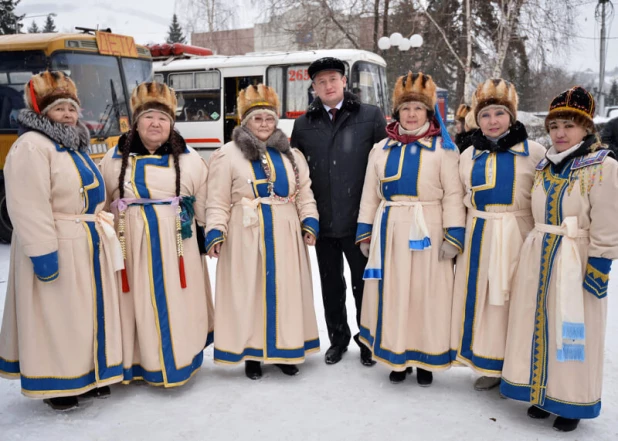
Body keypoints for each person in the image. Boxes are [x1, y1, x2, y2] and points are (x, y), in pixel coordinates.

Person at [0, 71, 124, 410]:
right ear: (42, 113)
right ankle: (58, 383)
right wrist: (44, 254)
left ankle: (88, 374)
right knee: (57, 317)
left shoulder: (74, 144)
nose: (68, 114)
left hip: (85, 241)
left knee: (85, 315)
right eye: (59, 109)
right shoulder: (31, 147)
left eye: (72, 108)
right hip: (57, 242)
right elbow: (28, 205)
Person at [501, 86, 618, 432]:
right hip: (539, 256)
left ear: (586, 128)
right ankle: (540, 392)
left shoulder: (603, 166)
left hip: (575, 259)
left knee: (573, 331)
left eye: (569, 125)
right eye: (554, 127)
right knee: (537, 325)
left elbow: (609, 222)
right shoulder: (544, 166)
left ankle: (571, 401)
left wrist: (600, 265)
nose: (560, 133)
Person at [99, 82, 214, 388]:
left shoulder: (189, 159)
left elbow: (204, 200)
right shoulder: (112, 160)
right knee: (134, 304)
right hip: (130, 245)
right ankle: (139, 362)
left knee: (178, 303)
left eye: (163, 118)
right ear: (136, 122)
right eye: (149, 116)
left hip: (178, 245)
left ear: (171, 124)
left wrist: (207, 236)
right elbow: (101, 202)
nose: (156, 123)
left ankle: (177, 359)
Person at [357, 72, 466, 386]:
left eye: (418, 108)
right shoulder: (380, 149)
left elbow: (454, 195)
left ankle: (426, 359)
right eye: (406, 109)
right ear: (397, 112)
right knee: (395, 293)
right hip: (390, 229)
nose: (411, 114)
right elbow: (369, 193)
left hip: (428, 230)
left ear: (428, 112)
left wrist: (453, 235)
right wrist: (365, 231)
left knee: (426, 294)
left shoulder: (444, 149)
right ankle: (397, 355)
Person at [205, 84, 320, 380]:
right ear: (245, 122)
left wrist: (309, 221)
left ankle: (285, 348)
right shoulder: (227, 154)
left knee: (285, 292)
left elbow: (304, 192)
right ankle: (253, 352)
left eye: (269, 118)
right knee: (250, 292)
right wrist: (216, 230)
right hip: (246, 233)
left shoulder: (290, 155)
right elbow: (217, 198)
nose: (265, 124)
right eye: (258, 119)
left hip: (285, 231)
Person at [450, 79, 546, 391]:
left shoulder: (535, 152)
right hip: (479, 235)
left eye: (499, 114)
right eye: (486, 115)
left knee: (515, 300)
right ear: (477, 120)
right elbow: (460, 197)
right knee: (484, 301)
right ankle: (489, 363)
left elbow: (543, 198)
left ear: (512, 117)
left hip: (519, 235)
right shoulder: (468, 155)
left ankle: (517, 366)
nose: (493, 121)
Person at [291, 57, 387, 366]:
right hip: (323, 222)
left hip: (360, 221)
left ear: (344, 82)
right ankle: (338, 339)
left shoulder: (370, 116)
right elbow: (298, 172)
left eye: (333, 79)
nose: (328, 85)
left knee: (364, 285)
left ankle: (367, 340)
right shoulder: (303, 125)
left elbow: (384, 166)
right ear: (314, 88)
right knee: (331, 286)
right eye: (321, 82)